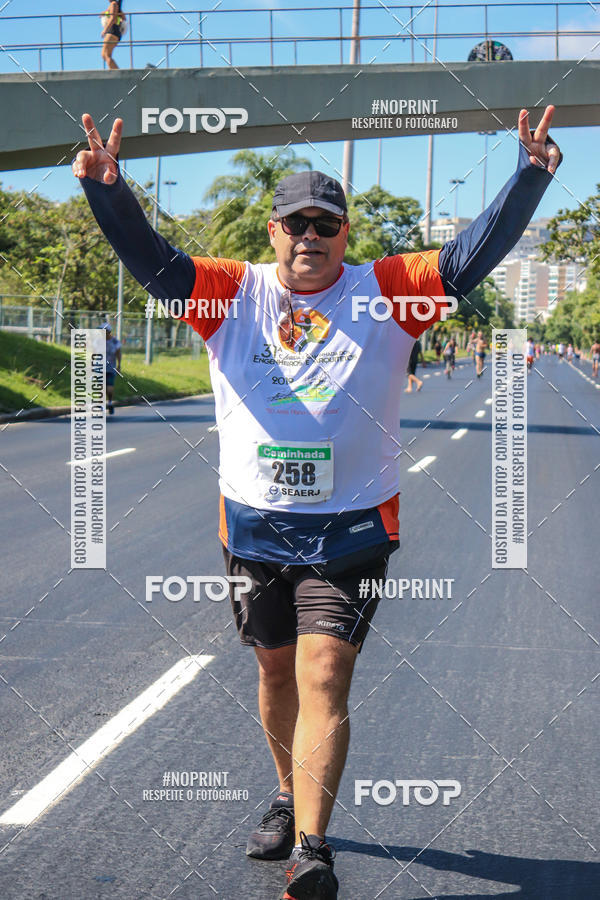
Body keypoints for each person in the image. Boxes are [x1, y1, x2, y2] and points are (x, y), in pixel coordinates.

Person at [73, 106, 561, 900]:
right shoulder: (232, 293)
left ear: (344, 234)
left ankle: (312, 847)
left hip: (353, 529)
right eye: (296, 222)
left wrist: (529, 176)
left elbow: (469, 257)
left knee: (325, 669)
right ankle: (284, 791)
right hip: (254, 526)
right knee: (275, 672)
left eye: (325, 223)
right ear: (273, 231)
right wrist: (108, 192)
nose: (310, 235)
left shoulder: (388, 291)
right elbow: (155, 265)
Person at [101, 322, 121, 414]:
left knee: (109, 388)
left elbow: (118, 353)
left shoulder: (115, 342)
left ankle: (109, 402)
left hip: (110, 368)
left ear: (108, 332)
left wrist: (119, 365)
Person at [101, 1, 125, 70]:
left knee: (106, 54)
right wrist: (105, 13)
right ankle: (114, 70)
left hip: (112, 31)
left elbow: (112, 18)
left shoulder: (113, 4)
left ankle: (118, 72)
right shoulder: (115, 5)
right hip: (115, 32)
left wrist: (105, 30)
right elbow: (124, 18)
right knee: (105, 54)